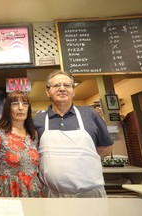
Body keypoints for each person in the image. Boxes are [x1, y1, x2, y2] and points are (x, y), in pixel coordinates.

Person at [33, 70, 113, 198]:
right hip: (52, 195)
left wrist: (82, 161)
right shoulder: (38, 120)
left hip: (90, 194)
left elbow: (106, 148)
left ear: (73, 91)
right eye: (57, 85)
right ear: (47, 92)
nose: (62, 89)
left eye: (67, 85)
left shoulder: (90, 114)